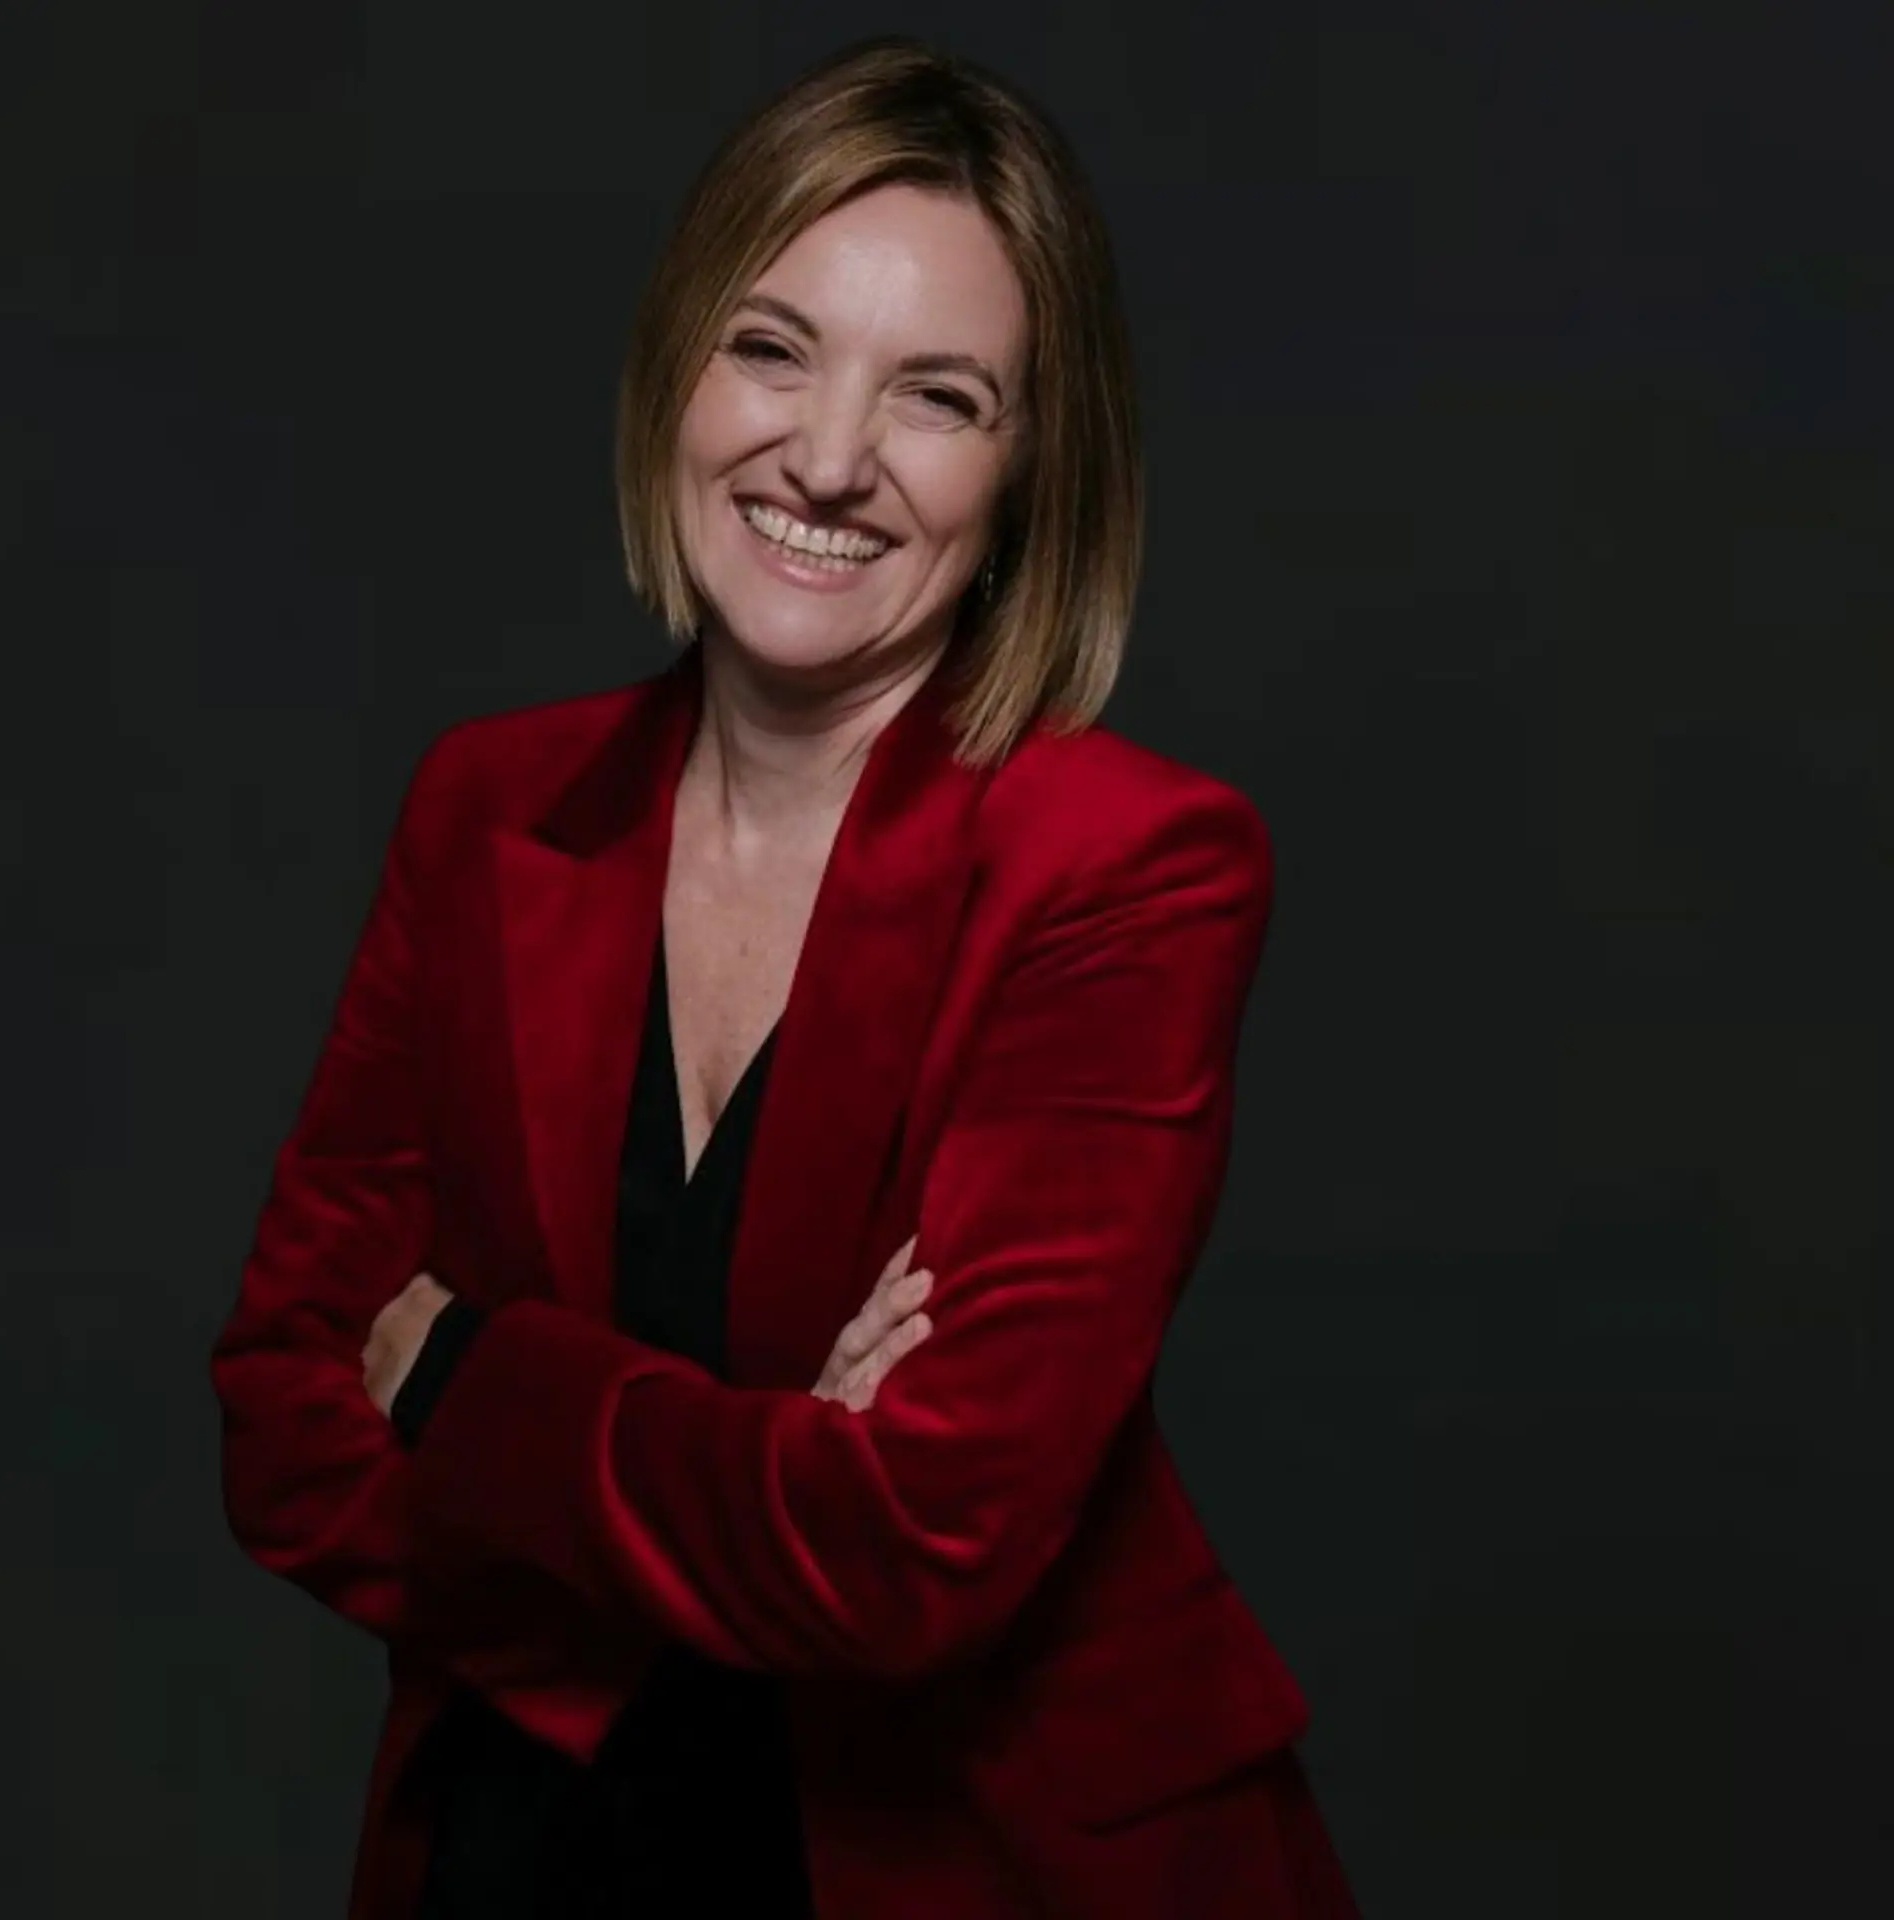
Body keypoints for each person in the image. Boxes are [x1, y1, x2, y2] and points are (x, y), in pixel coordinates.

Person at [210, 34, 1361, 1920]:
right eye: (773, 349)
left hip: (978, 1872)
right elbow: (281, 1418)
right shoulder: (487, 808)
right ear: (677, 363)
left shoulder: (1126, 867)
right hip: (535, 1852)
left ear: (1029, 468)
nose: (827, 458)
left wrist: (465, 1375)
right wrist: (763, 1486)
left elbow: (915, 1551)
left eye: (939, 396)